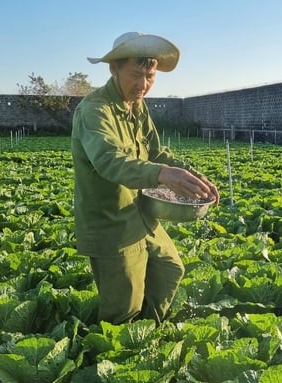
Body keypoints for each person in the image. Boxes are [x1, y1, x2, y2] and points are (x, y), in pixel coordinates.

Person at [71, 32, 219, 325]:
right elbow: (109, 161)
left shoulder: (137, 106)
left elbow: (155, 151)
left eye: (150, 76)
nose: (143, 85)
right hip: (111, 225)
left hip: (143, 215)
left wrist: (191, 176)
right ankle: (120, 358)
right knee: (123, 309)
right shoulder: (94, 110)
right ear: (113, 68)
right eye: (136, 75)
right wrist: (162, 175)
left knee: (170, 270)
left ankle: (147, 336)